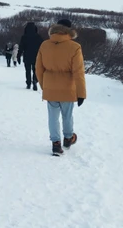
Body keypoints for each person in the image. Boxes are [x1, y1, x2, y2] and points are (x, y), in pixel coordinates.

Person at [36, 19, 87, 156]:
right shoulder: (75, 47)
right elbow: (78, 72)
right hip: (67, 88)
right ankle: (68, 138)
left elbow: (38, 69)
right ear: (70, 30)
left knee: (52, 117)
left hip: (50, 87)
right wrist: (81, 93)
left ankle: (56, 143)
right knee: (67, 115)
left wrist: (44, 86)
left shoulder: (45, 45)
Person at [18, 22, 44, 90]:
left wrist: (18, 56)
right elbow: (42, 47)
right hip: (36, 56)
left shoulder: (24, 37)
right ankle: (35, 80)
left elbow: (21, 47)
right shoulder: (38, 37)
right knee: (35, 70)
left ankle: (28, 83)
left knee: (28, 70)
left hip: (27, 56)